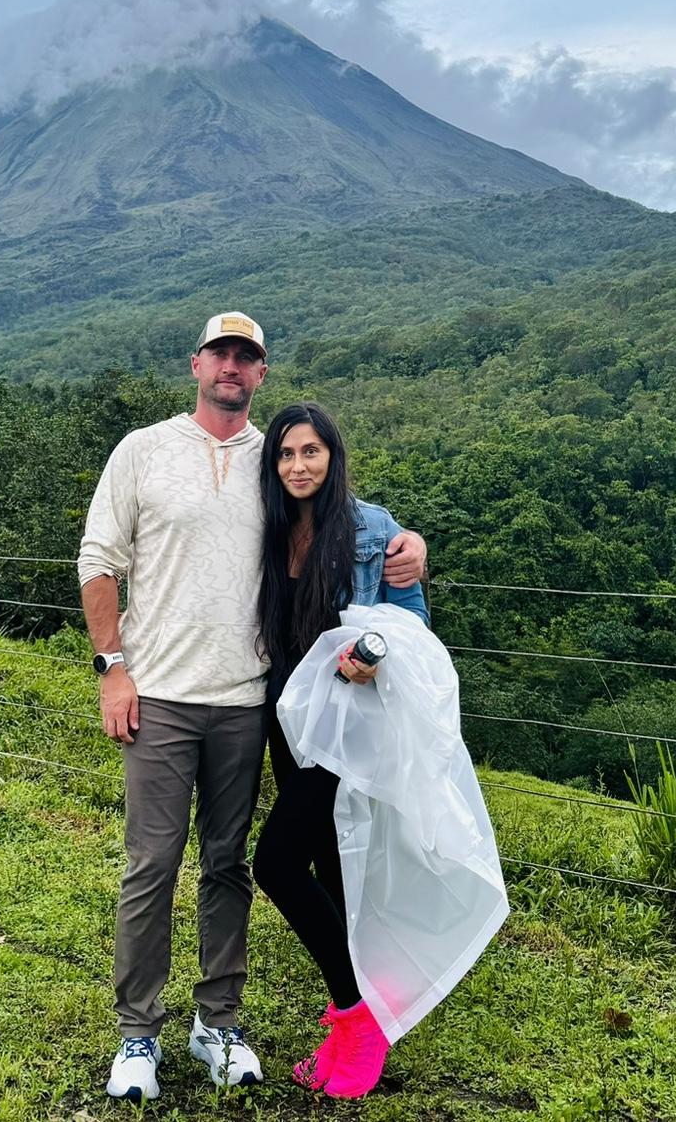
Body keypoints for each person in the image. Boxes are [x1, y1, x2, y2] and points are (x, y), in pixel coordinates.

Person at [78, 314, 426, 1103]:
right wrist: (112, 670)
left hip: (249, 702)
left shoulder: (270, 461)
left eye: (247, 357)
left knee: (231, 864)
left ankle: (218, 1023)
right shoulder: (144, 450)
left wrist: (409, 543)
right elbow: (98, 562)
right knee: (151, 866)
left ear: (261, 373)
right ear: (196, 363)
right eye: (220, 354)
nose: (231, 367)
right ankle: (138, 1033)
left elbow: (342, 513)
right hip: (160, 694)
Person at [251, 401, 429, 1099]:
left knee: (276, 863)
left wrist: (373, 660)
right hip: (286, 717)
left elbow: (409, 625)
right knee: (329, 867)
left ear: (332, 456)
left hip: (344, 724)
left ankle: (359, 1018)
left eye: (310, 452)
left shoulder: (372, 530)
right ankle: (352, 1022)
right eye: (285, 453)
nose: (298, 466)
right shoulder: (266, 525)